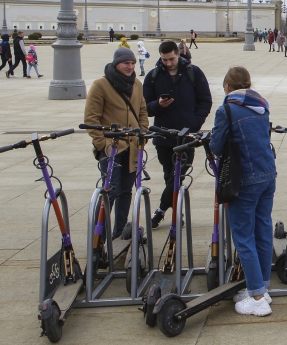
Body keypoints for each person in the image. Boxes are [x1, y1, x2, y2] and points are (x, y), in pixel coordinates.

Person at [209, 66, 276, 316]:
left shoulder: (226, 108)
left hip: (244, 178)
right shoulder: (262, 103)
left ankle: (257, 298)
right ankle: (261, 286)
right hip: (268, 173)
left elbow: (217, 146)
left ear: (227, 87)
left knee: (243, 236)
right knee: (262, 230)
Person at [143, 40, 212, 229]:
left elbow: (205, 100)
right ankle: (176, 212)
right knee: (169, 176)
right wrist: (158, 105)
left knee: (178, 175)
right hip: (163, 136)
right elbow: (145, 107)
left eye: (171, 59)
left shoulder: (193, 73)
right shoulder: (153, 76)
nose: (168, 63)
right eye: (164, 59)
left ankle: (160, 212)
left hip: (187, 136)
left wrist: (195, 123)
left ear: (178, 54)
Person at [84, 47, 149, 239]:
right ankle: (99, 237)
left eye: (132, 63)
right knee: (109, 192)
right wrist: (102, 144)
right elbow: (91, 119)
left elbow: (142, 111)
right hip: (112, 149)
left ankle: (120, 233)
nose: (130, 67)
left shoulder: (137, 84)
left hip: (132, 147)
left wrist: (142, 132)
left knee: (126, 191)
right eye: (125, 63)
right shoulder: (101, 85)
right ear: (116, 64)